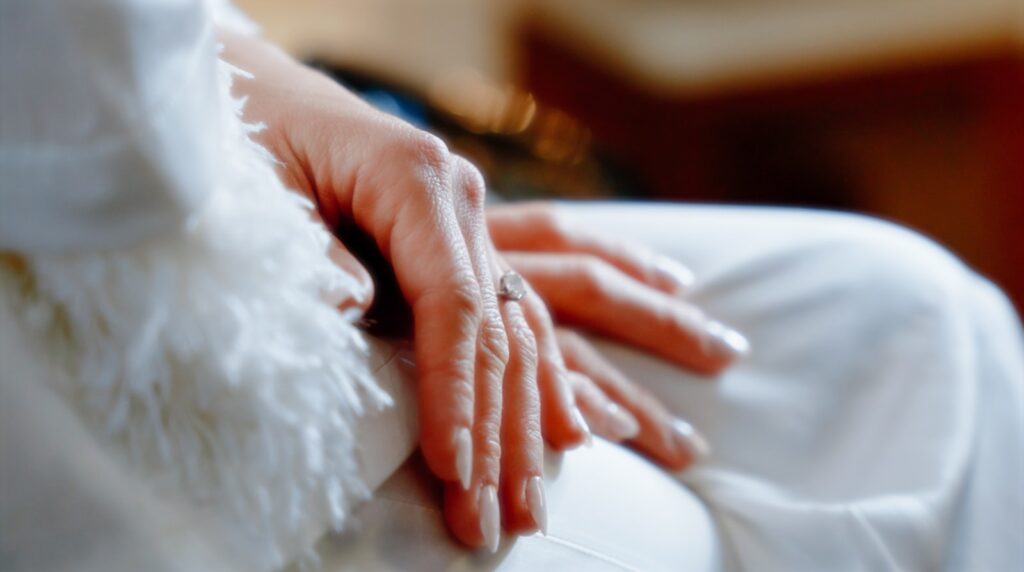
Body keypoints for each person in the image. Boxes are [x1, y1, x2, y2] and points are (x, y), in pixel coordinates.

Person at [1, 1, 1020, 571]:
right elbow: (110, 135)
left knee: (899, 316)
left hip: (164, 179)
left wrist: (257, 83)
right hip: (123, 375)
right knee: (925, 399)